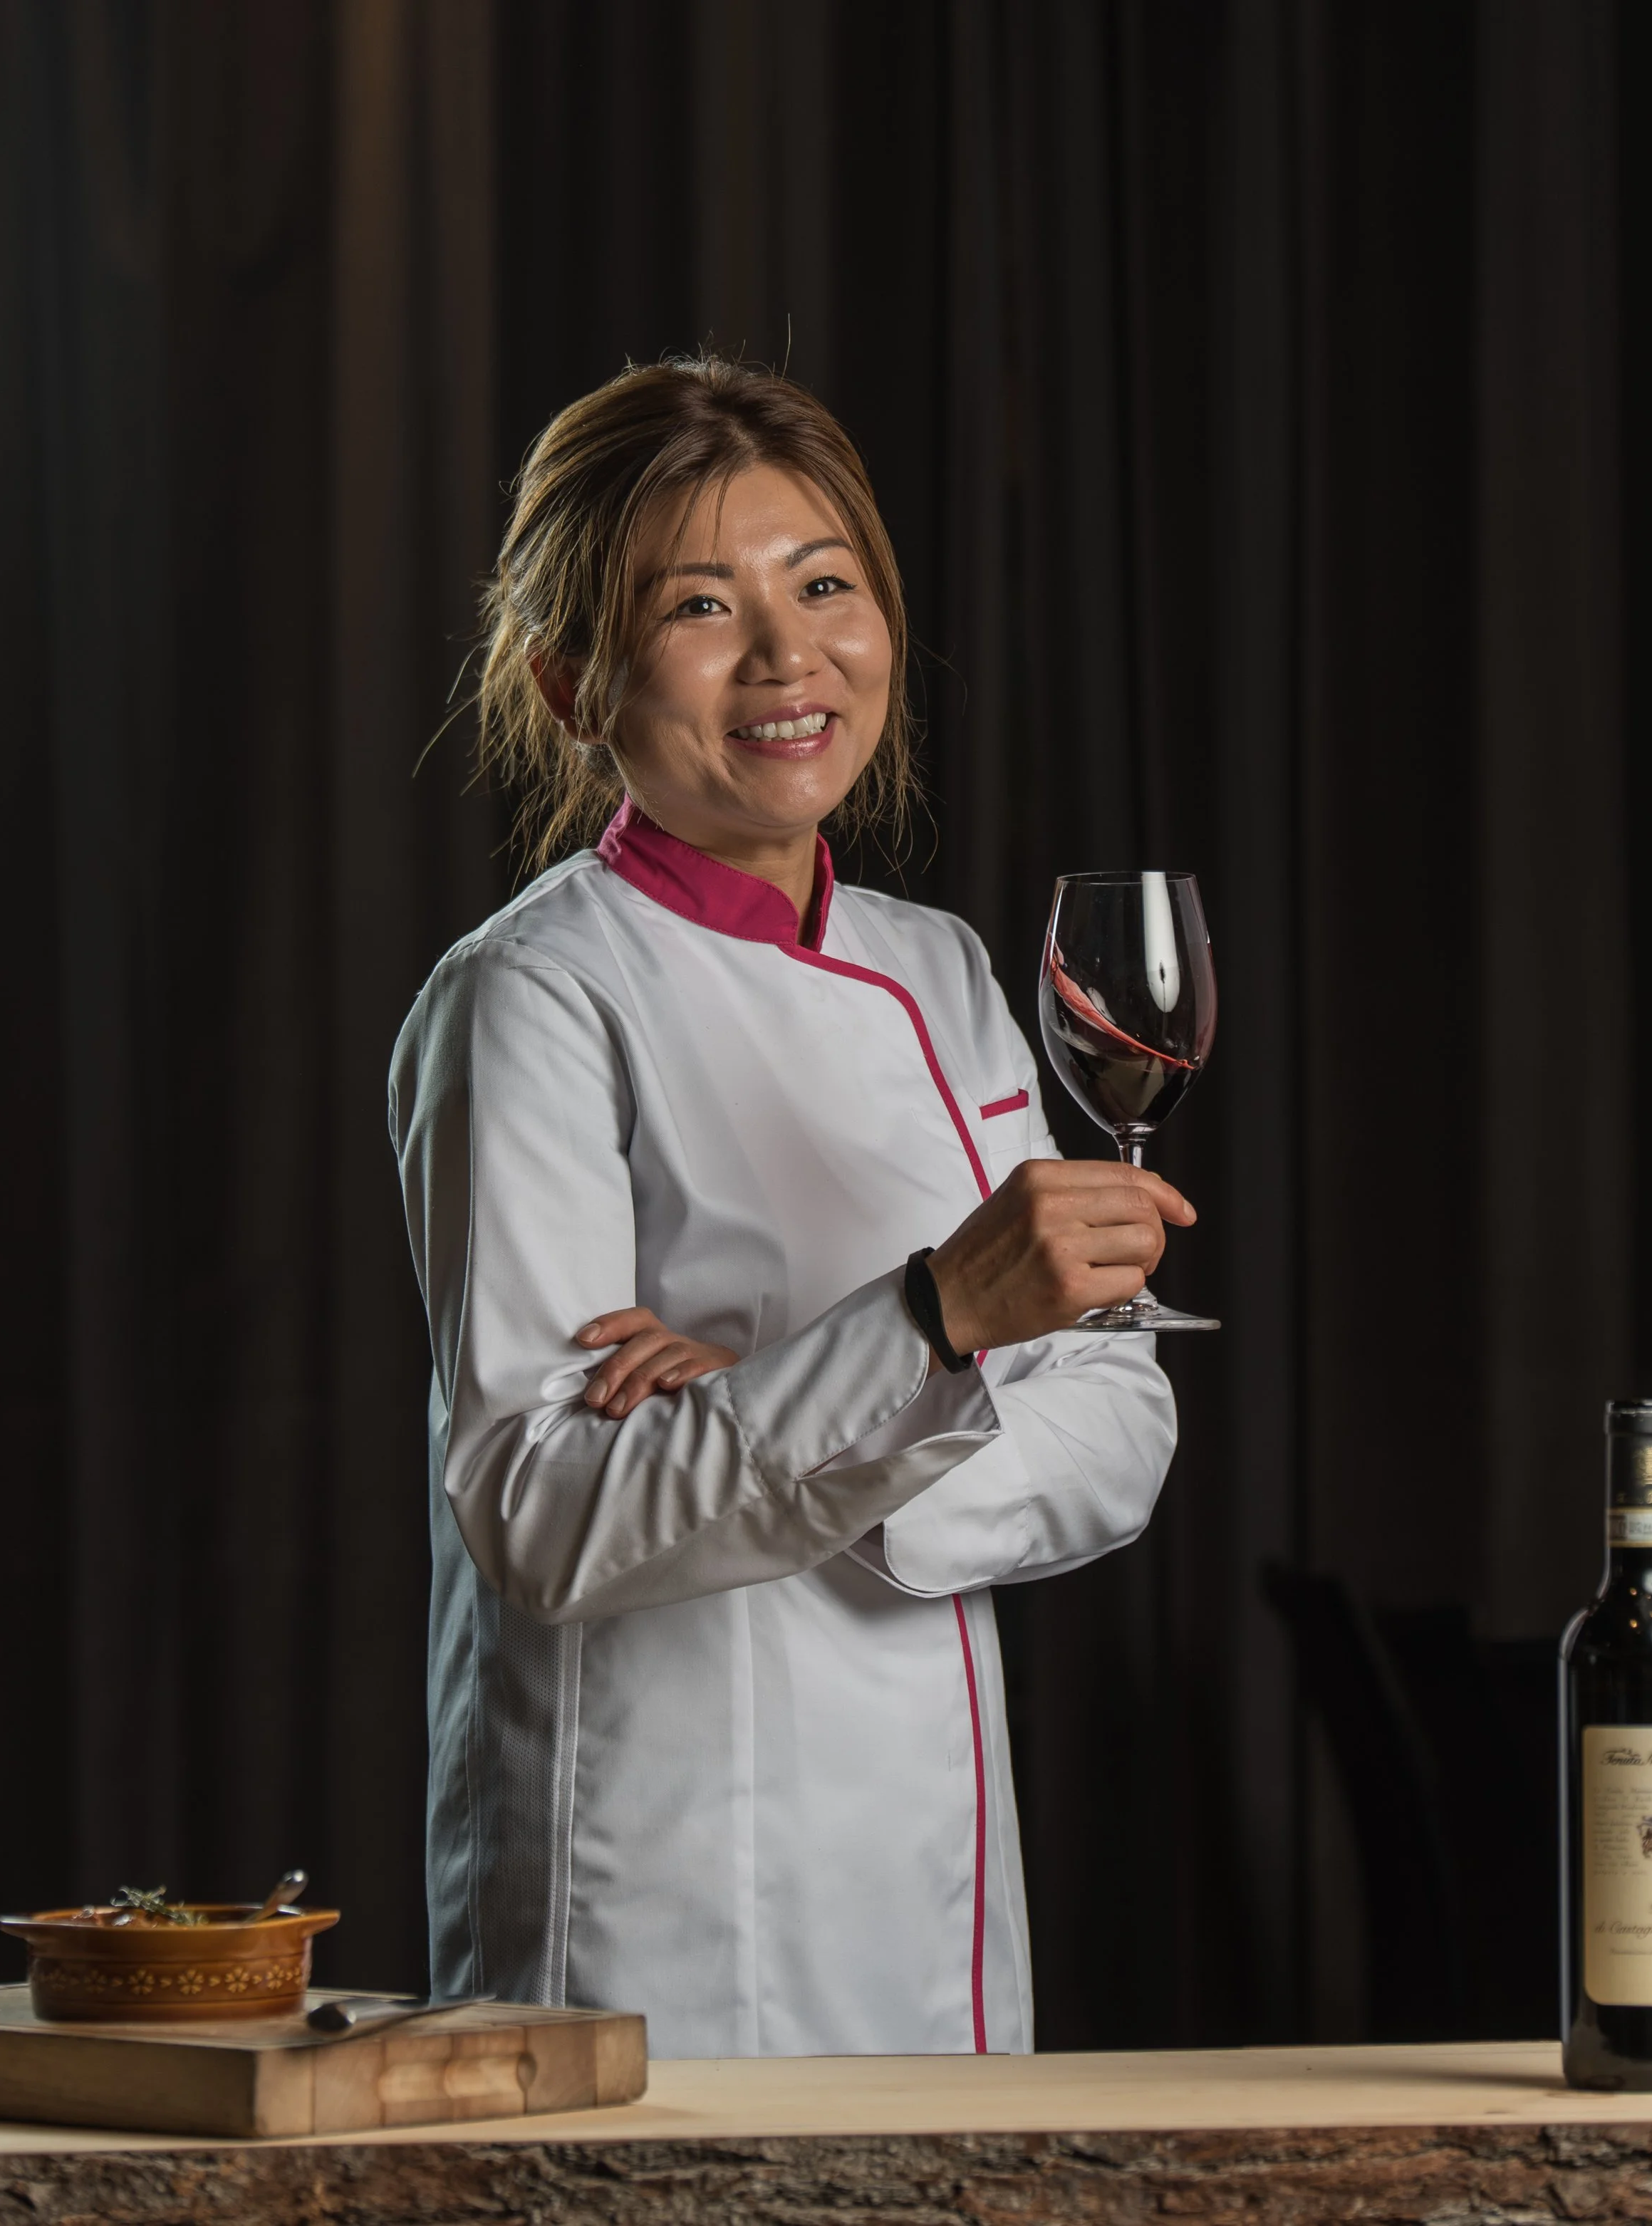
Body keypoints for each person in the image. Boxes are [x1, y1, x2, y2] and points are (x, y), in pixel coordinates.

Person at [388, 355, 1190, 2058]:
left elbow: (1122, 1424)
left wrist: (799, 1413)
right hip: (665, 1884)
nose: (785, 655)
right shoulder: (532, 994)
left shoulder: (941, 968)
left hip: (935, 1871)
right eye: (699, 605)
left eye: (823, 584)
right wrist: (930, 1327)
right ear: (569, 681)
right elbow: (542, 1513)